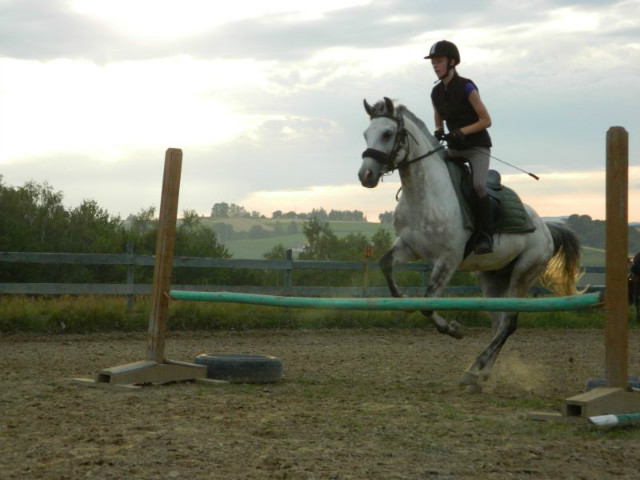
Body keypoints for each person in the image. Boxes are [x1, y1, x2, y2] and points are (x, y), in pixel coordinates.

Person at [425, 40, 494, 254]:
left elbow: (486, 120)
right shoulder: (436, 93)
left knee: (479, 186)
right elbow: (438, 119)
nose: (435, 66)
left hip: (476, 147)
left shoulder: (467, 87)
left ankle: (486, 234)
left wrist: (462, 131)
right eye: (433, 62)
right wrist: (438, 130)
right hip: (455, 148)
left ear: (452, 62)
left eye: (439, 61)